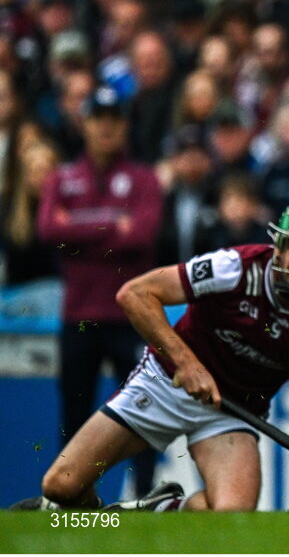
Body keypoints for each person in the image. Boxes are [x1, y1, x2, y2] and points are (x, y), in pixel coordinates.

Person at [13, 203, 289, 511]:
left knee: (229, 518)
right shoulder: (234, 268)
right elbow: (135, 294)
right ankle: (98, 520)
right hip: (164, 384)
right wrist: (186, 363)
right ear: (277, 247)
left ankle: (162, 512)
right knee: (61, 485)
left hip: (232, 412)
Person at [35, 85, 163, 501]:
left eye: (113, 119)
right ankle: (72, 497)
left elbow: (141, 235)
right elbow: (48, 232)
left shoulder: (144, 180)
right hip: (79, 316)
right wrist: (112, 227)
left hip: (130, 316)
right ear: (85, 124)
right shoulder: (62, 178)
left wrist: (78, 230)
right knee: (74, 412)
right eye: (98, 119)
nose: (105, 128)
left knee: (142, 411)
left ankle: (144, 494)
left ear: (123, 125)